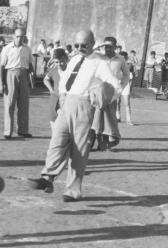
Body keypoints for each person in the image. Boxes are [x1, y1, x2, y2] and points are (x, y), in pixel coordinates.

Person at [28, 30, 121, 202]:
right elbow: (64, 81)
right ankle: (47, 179)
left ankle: (73, 191)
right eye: (77, 45)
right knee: (57, 140)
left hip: (85, 106)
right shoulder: (74, 59)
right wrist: (62, 96)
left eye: (83, 45)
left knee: (78, 151)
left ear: (92, 43)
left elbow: (116, 85)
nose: (79, 48)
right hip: (67, 104)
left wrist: (104, 100)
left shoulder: (99, 62)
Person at [90, 36, 130, 151]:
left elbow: (126, 74)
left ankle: (105, 144)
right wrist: (98, 47)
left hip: (112, 95)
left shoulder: (121, 59)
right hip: (98, 93)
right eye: (105, 46)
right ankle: (90, 143)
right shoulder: (99, 56)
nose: (106, 48)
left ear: (115, 47)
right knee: (95, 119)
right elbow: (88, 54)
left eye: (109, 46)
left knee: (109, 120)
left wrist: (121, 86)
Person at [0, 28, 34, 139]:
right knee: (9, 104)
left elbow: (30, 65)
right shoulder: (7, 48)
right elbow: (1, 67)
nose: (20, 38)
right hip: (11, 74)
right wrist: (0, 83)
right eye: (18, 36)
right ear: (13, 36)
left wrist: (31, 78)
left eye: (22, 36)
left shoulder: (27, 49)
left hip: (24, 75)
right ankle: (8, 131)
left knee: (24, 104)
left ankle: (23, 130)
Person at [42, 48, 68, 132]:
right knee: (53, 119)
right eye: (57, 62)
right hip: (55, 98)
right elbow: (45, 79)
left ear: (66, 59)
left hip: (67, 99)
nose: (59, 64)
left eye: (62, 61)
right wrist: (51, 90)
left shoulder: (70, 71)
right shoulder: (54, 70)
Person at [116, 51, 134, 125]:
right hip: (117, 85)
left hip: (126, 85)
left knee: (127, 103)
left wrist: (130, 85)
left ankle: (129, 120)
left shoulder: (129, 65)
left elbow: (132, 76)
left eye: (124, 58)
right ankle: (118, 117)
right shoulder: (116, 65)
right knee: (117, 102)